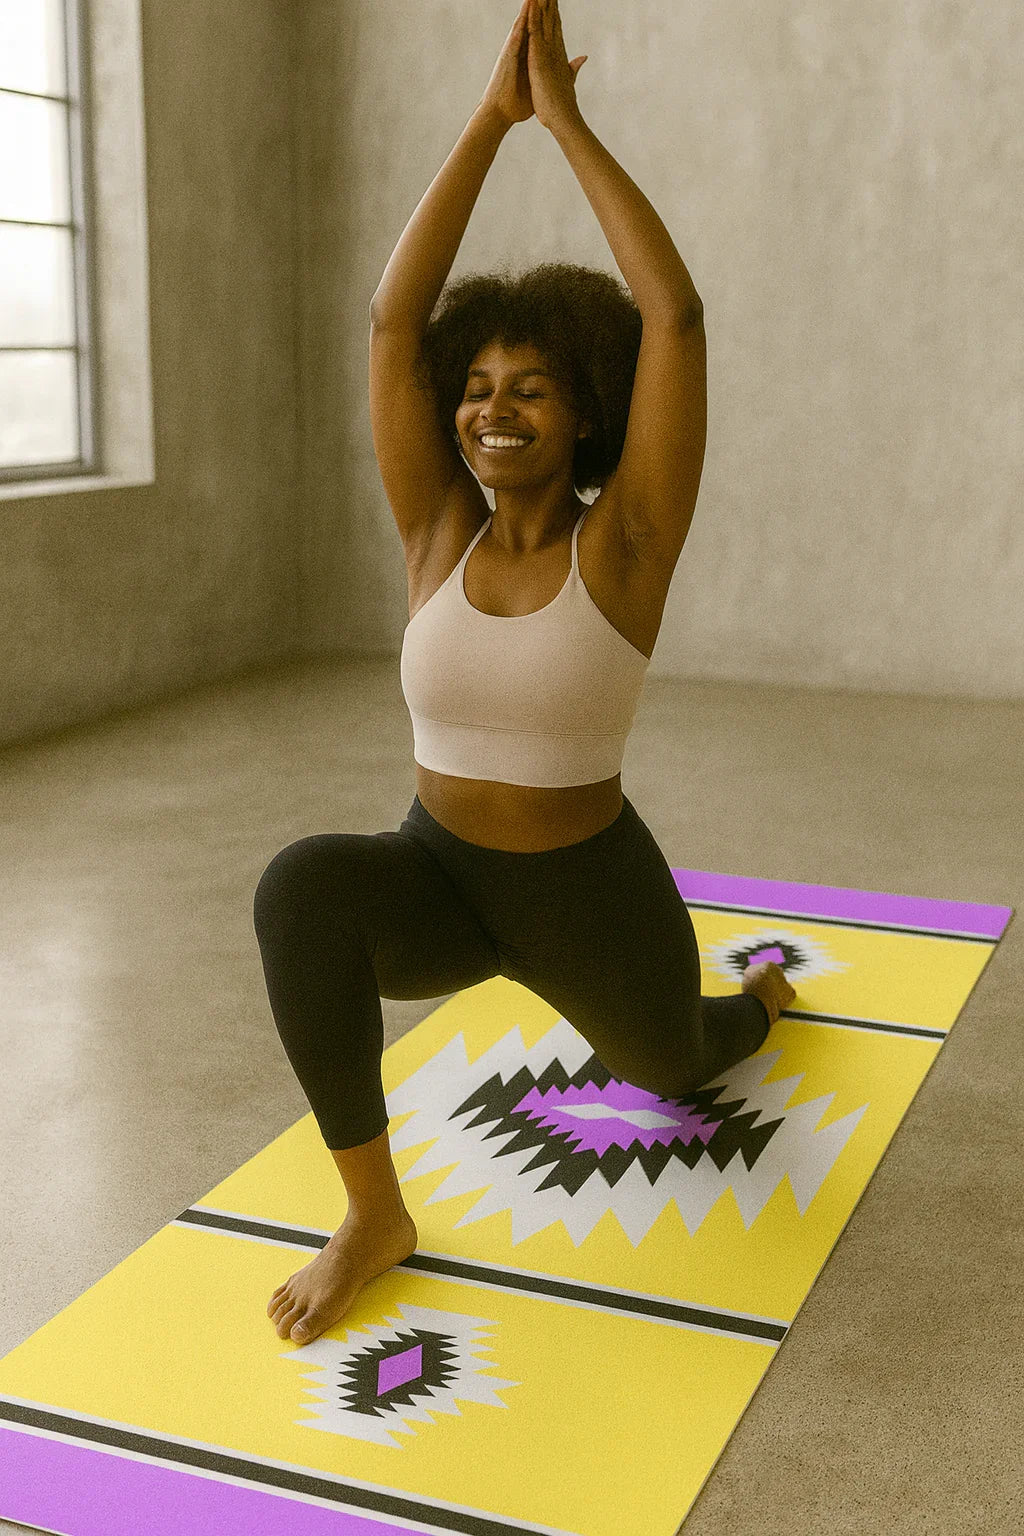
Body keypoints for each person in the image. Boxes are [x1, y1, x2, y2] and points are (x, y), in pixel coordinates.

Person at [255, 0, 795, 1348]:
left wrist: (565, 125)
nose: (493, 404)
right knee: (300, 892)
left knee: (682, 1062)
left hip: (586, 891)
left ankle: (754, 998)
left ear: (589, 414)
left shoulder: (628, 546)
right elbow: (393, 327)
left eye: (533, 387)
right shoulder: (436, 528)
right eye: (479, 382)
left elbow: (673, 313)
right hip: (438, 873)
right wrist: (488, 125)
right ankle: (375, 1213)